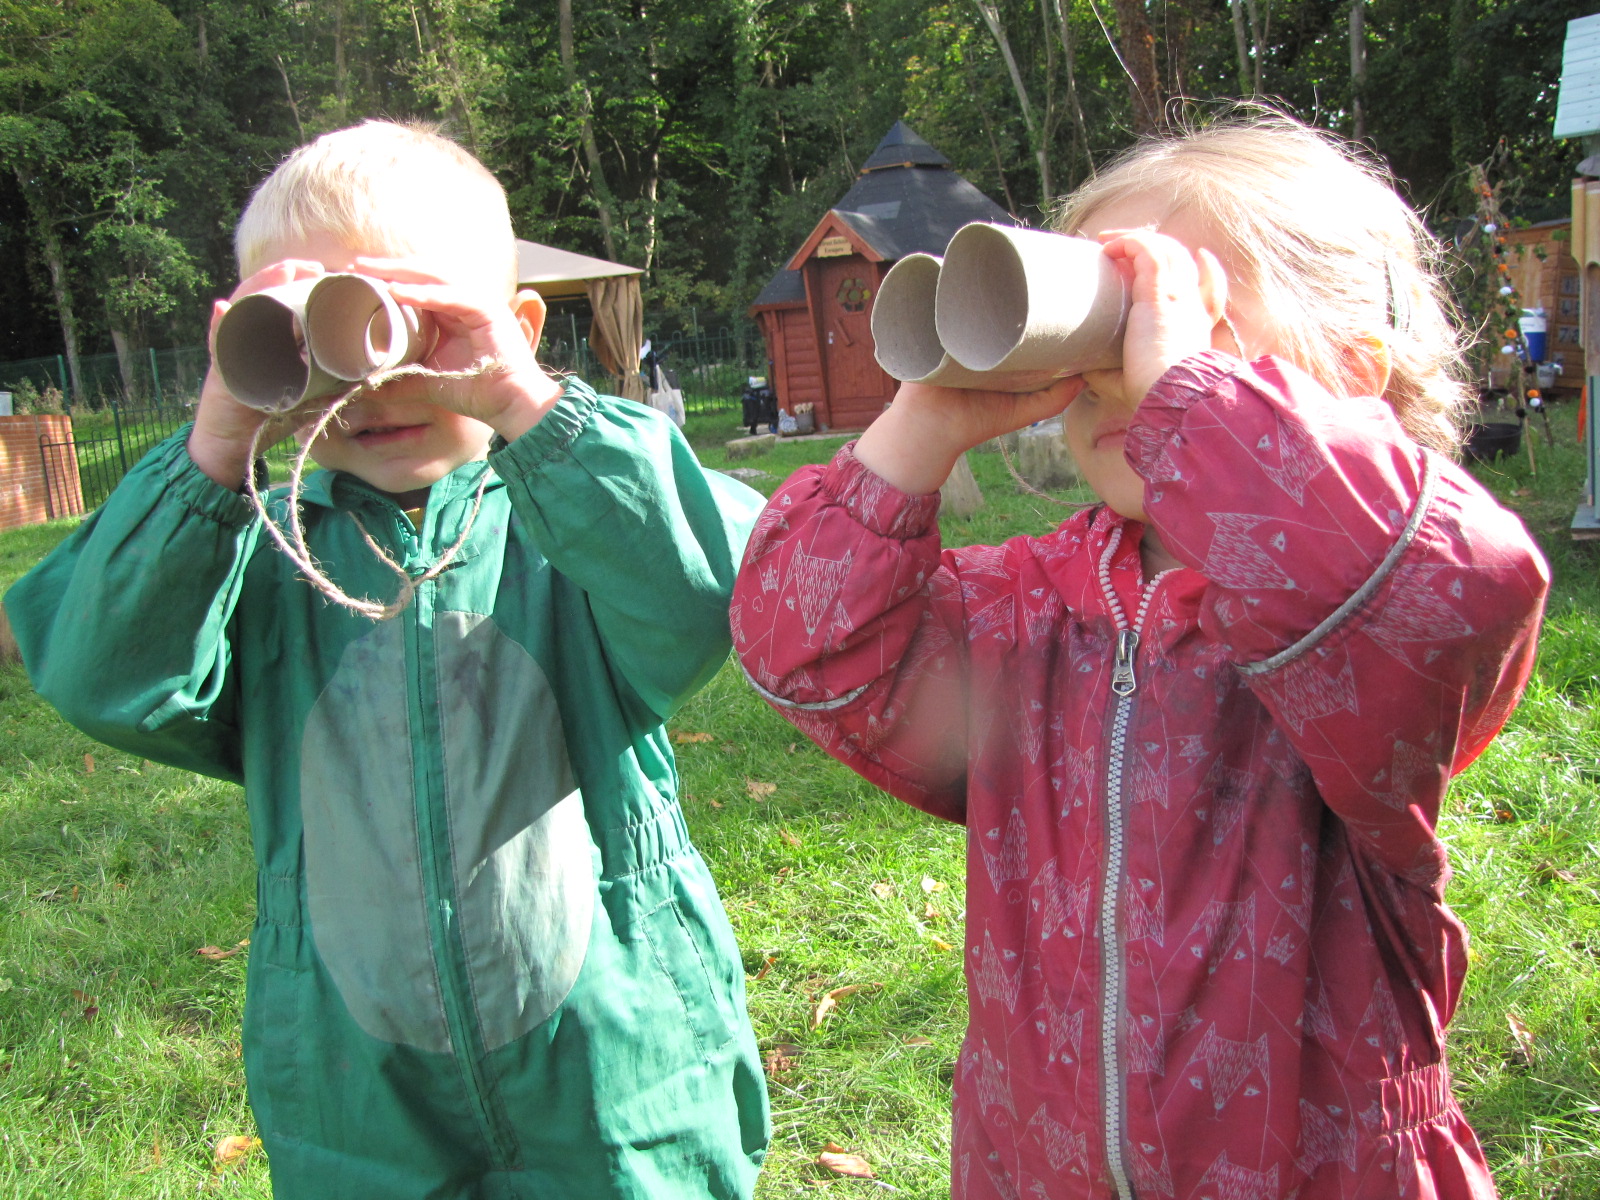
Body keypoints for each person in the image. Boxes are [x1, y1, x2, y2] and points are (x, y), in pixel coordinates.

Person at [730, 109, 1548, 1199]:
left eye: (1183, 317)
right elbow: (801, 644)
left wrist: (1195, 403)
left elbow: (1463, 584)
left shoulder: (1363, 630)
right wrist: (926, 418)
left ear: (1353, 379)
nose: (1125, 374)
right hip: (1034, 1167)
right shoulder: (1026, 610)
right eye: (1101, 332)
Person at [6, 120, 769, 1200]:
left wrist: (526, 407)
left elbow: (707, 593)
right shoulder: (259, 556)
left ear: (517, 328)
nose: (372, 383)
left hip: (617, 1070)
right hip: (357, 1101)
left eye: (417, 325)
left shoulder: (575, 522)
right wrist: (216, 447)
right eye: (322, 337)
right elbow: (104, 671)